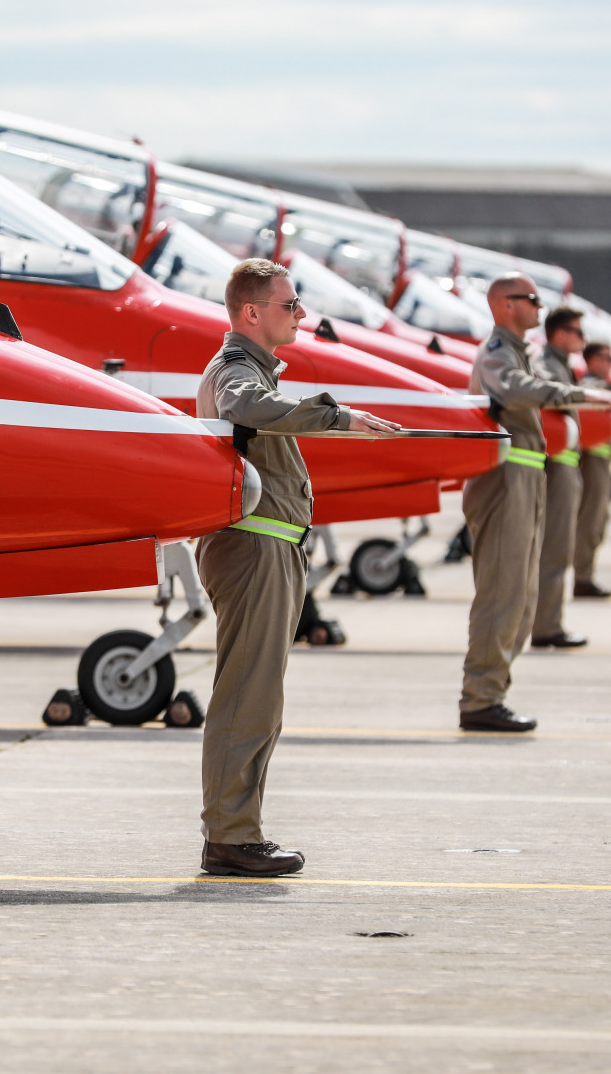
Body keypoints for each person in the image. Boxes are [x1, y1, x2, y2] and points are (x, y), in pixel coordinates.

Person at [196, 258, 400, 877]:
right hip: (253, 548)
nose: (302, 315)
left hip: (272, 547)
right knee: (247, 695)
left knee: (260, 696)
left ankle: (238, 831)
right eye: (290, 305)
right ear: (251, 313)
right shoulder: (235, 372)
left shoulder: (253, 371)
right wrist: (335, 417)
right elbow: (245, 408)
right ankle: (231, 837)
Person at [461, 275, 611, 731]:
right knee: (502, 590)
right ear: (505, 305)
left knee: (520, 593)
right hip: (506, 477)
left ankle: (490, 694)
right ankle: (479, 699)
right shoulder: (498, 350)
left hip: (527, 474)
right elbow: (512, 388)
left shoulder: (516, 350)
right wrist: (579, 394)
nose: (539, 307)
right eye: (532, 300)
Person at [530, 306, 590, 649]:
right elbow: (541, 388)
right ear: (560, 334)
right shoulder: (548, 365)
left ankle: (548, 622)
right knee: (554, 548)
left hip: (567, 464)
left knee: (560, 547)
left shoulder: (562, 365)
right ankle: (546, 627)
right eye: (578, 332)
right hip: (557, 468)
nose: (583, 339)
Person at [573, 341, 611, 599]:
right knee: (590, 520)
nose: (610, 365)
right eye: (606, 359)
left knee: (600, 520)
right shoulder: (590, 386)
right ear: (593, 361)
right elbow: (592, 395)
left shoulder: (602, 386)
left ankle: (585, 574)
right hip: (592, 461)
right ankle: (582, 577)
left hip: (602, 461)